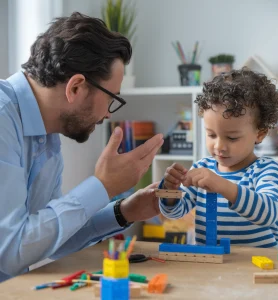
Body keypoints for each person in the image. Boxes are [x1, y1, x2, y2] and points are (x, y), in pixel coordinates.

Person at [0, 12, 164, 282]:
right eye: (112, 98)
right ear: (76, 87)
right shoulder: (3, 118)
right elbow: (10, 250)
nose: (109, 114)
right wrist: (103, 185)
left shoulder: (47, 137)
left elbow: (49, 240)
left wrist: (124, 211)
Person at [160, 68, 278, 248]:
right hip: (211, 267)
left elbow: (269, 213)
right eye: (211, 135)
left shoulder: (265, 169)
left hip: (256, 268)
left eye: (232, 138)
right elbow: (174, 213)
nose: (218, 146)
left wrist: (222, 185)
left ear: (260, 133)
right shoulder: (202, 168)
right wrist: (170, 191)